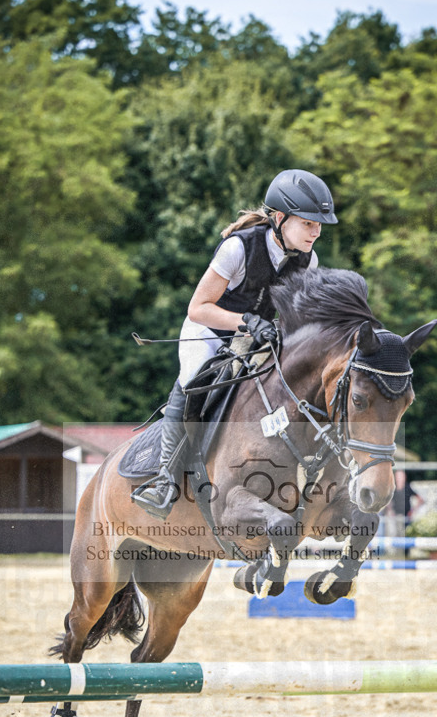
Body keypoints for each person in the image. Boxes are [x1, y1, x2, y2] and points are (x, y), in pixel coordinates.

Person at [132, 168, 338, 519]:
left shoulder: (308, 260)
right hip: (210, 330)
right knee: (193, 380)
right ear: (280, 218)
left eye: (319, 225)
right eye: (308, 223)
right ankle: (164, 479)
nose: (316, 231)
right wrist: (246, 322)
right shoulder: (238, 248)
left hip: (257, 339)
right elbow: (198, 308)